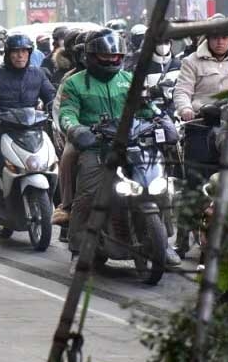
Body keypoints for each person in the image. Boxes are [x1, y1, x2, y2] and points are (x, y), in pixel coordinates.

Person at [56, 29, 177, 265]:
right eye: (105, 56)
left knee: (159, 187)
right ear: (90, 56)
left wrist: (163, 120)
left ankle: (164, 242)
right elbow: (67, 114)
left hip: (133, 145)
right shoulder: (74, 83)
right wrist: (76, 129)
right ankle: (78, 249)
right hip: (96, 147)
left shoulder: (129, 80)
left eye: (115, 56)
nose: (112, 60)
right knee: (88, 194)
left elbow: (146, 108)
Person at [0, 34, 55, 248]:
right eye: (16, 52)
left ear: (30, 53)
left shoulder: (38, 74)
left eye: (24, 51)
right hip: (2, 132)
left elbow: (51, 96)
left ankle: (63, 219)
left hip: (34, 132)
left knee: (53, 166)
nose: (20, 55)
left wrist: (55, 109)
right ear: (8, 54)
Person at [173, 16, 228, 122]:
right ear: (208, 38)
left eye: (224, 37)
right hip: (201, 120)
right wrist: (185, 108)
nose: (220, 42)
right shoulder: (191, 61)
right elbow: (182, 91)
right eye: (215, 37)